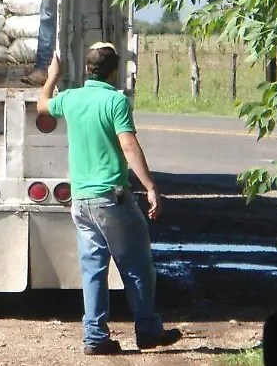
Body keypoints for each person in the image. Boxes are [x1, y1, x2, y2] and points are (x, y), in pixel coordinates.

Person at [38, 43, 181, 355]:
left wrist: (52, 76)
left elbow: (42, 105)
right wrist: (150, 186)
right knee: (137, 265)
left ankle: (95, 336)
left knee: (93, 269)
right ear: (114, 70)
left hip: (81, 200)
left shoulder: (72, 98)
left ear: (88, 69)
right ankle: (148, 330)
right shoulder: (115, 101)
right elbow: (128, 145)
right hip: (111, 198)